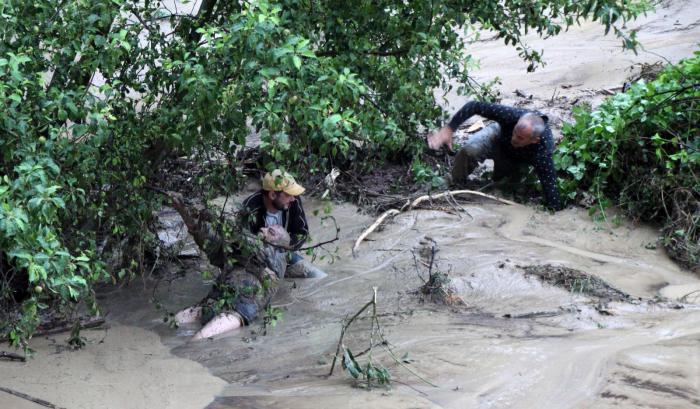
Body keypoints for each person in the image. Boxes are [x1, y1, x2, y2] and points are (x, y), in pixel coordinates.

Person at [428, 101, 563, 211]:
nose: (514, 138)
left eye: (520, 138)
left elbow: (549, 184)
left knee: (502, 190)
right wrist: (449, 129)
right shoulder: (511, 115)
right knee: (469, 150)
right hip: (497, 136)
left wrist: (555, 211)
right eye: (515, 132)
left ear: (535, 140)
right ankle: (454, 181)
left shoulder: (543, 151)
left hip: (515, 159)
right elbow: (474, 106)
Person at [240, 169, 326, 278]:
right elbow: (242, 244)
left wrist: (286, 245)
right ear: (272, 195)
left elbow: (302, 233)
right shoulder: (249, 208)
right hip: (257, 261)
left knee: (318, 275)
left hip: (285, 253)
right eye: (289, 194)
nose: (293, 199)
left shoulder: (293, 201)